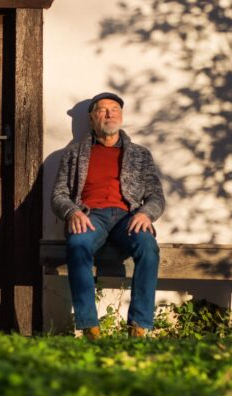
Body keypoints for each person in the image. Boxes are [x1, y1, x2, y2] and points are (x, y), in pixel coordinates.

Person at [51, 92, 166, 339]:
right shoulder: (74, 154)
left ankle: (139, 326)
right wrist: (72, 212)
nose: (109, 114)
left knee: (148, 247)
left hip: (128, 217)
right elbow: (58, 195)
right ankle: (90, 326)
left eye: (114, 109)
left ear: (121, 116)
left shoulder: (140, 154)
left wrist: (146, 214)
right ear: (92, 119)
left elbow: (157, 196)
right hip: (92, 216)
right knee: (78, 244)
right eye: (102, 110)